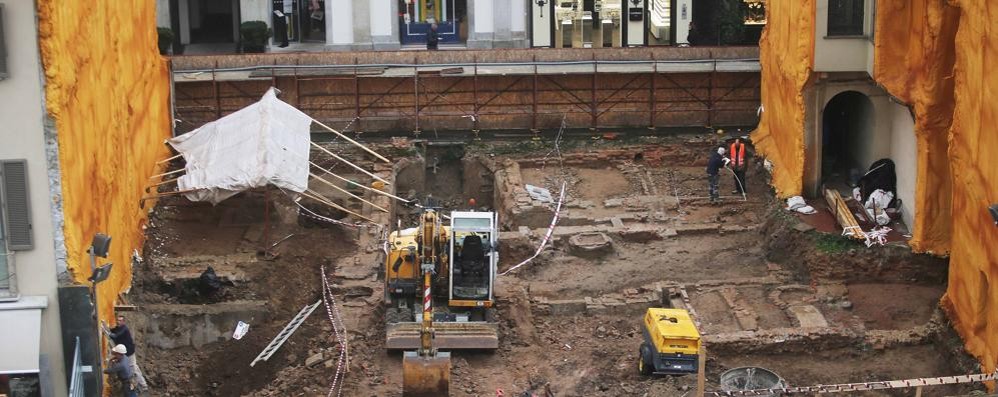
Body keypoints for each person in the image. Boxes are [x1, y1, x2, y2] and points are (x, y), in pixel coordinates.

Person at [109, 315, 148, 391]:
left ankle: (143, 386)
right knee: (134, 368)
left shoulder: (124, 329)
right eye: (118, 320)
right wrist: (106, 327)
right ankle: (139, 384)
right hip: (125, 353)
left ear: (123, 322)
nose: (118, 322)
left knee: (133, 369)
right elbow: (112, 330)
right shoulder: (119, 328)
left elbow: (115, 336)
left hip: (129, 353)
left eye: (120, 321)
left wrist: (108, 333)